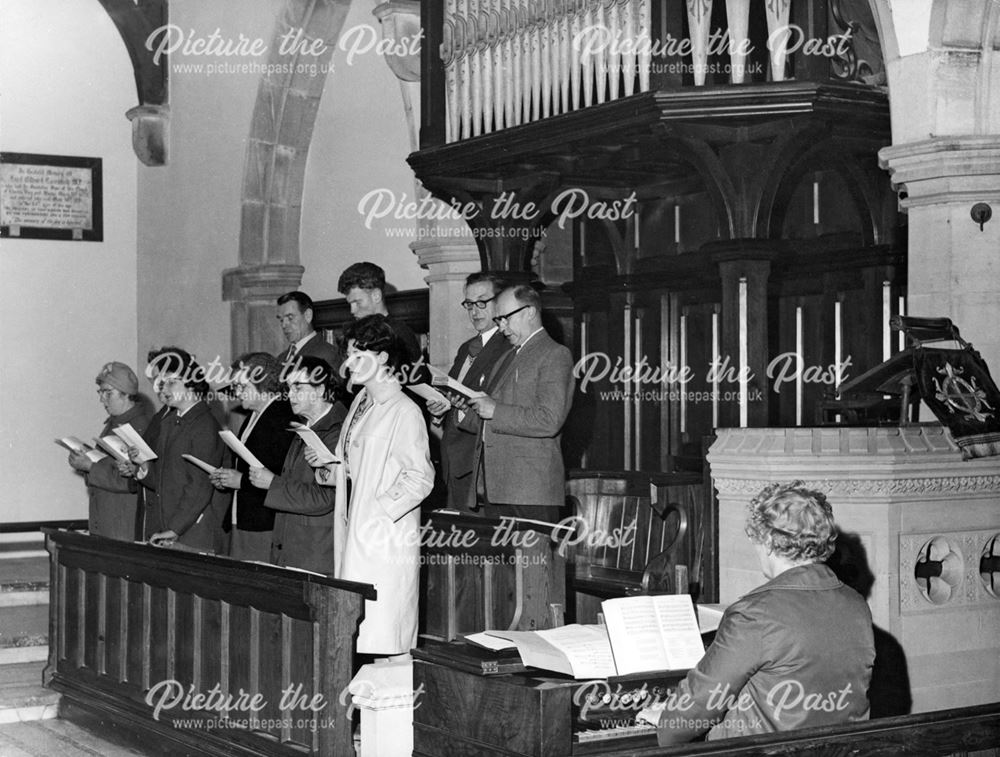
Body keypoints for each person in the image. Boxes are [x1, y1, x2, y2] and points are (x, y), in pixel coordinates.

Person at [638, 481, 875, 744]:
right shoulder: (855, 605)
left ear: (768, 542)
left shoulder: (755, 613)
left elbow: (702, 700)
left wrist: (667, 722)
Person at [311, 315, 434, 656]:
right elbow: (357, 469)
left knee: (383, 639)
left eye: (356, 354)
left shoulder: (404, 410)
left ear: (382, 357)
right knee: (356, 636)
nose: (348, 364)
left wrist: (377, 513)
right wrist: (330, 470)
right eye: (347, 355)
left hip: (383, 542)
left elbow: (419, 478)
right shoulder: (360, 405)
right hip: (355, 535)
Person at [459, 284, 574, 522]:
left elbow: (549, 420)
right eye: (498, 320)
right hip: (497, 487)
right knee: (502, 559)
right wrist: (465, 410)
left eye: (505, 319)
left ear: (530, 312)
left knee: (533, 559)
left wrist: (494, 410)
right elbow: (491, 417)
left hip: (531, 491)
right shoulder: (507, 356)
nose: (501, 328)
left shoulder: (555, 354)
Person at [248, 355, 346, 574]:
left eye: (298, 388)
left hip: (315, 552)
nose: (290, 395)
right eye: (289, 388)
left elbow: (325, 498)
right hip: (295, 547)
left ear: (320, 389)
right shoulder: (306, 426)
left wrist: (273, 483)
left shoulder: (336, 431)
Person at [426, 272, 512, 511]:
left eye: (482, 302)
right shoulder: (467, 348)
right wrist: (439, 410)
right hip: (455, 460)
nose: (475, 311)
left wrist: (463, 407)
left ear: (502, 302)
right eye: (469, 304)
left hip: (480, 465)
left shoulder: (508, 346)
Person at [130, 349, 229, 552]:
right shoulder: (170, 422)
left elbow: (199, 487)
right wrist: (143, 466)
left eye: (171, 382)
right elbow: (163, 480)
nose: (163, 389)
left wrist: (175, 528)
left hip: (194, 532)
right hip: (172, 527)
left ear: (191, 383)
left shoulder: (204, 425)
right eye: (161, 383)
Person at [208, 353, 295, 562]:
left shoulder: (281, 415)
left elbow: (280, 473)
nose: (237, 393)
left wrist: (240, 481)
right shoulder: (255, 415)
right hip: (246, 517)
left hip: (265, 522)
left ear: (262, 384)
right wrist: (227, 480)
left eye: (241, 386)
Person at [67, 362, 152, 541]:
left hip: (122, 523)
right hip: (105, 518)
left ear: (126, 394)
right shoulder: (114, 423)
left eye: (108, 393)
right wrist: (84, 461)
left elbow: (134, 480)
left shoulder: (140, 427)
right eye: (101, 392)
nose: (102, 399)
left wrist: (91, 466)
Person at [337, 261, 423, 365]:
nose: (352, 310)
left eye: (357, 302)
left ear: (376, 296)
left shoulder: (399, 333)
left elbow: (416, 377)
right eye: (350, 304)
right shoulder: (353, 333)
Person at [274, 290, 343, 379]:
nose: (284, 325)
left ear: (308, 315)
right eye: (281, 320)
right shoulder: (281, 358)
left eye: (290, 318)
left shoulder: (326, 353)